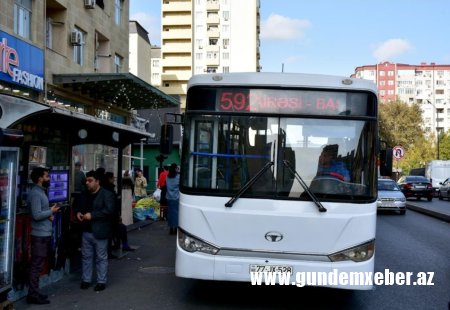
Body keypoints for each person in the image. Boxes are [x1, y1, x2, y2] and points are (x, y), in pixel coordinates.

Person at [75, 170, 115, 292]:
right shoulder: (84, 194)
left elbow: (109, 211)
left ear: (97, 182)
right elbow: (77, 205)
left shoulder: (107, 194)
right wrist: (78, 212)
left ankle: (101, 281)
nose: (87, 183)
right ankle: (86, 280)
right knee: (86, 256)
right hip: (86, 230)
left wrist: (92, 215)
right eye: (86, 180)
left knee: (101, 258)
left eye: (90, 181)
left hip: (100, 231)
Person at [26, 167, 60, 305]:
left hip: (44, 233)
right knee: (36, 265)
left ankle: (35, 292)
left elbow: (41, 212)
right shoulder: (35, 193)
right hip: (39, 234)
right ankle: (32, 294)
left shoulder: (40, 192)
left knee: (39, 265)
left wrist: (49, 214)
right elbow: (36, 214)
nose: (49, 178)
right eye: (47, 176)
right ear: (40, 178)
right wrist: (50, 211)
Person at [165, 163, 180, 235]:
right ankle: (176, 229)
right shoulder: (178, 177)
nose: (178, 169)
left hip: (169, 197)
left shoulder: (167, 177)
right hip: (176, 198)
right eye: (177, 168)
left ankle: (171, 229)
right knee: (176, 214)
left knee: (170, 213)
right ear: (175, 169)